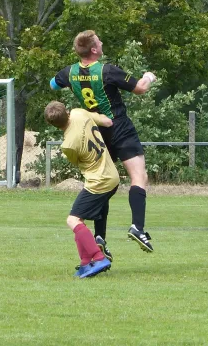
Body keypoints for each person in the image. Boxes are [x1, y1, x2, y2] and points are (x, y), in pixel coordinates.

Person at [50, 30, 156, 253]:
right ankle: (137, 227)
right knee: (139, 176)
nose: (102, 41)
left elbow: (53, 84)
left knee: (105, 185)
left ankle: (99, 237)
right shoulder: (107, 71)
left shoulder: (70, 72)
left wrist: (72, 82)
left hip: (96, 131)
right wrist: (148, 76)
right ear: (95, 50)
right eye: (99, 40)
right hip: (119, 126)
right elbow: (140, 89)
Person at [44, 101, 119, 278]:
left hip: (98, 182)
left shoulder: (68, 144)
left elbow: (77, 161)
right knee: (79, 220)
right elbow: (106, 122)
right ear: (67, 111)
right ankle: (86, 262)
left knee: (73, 220)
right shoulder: (79, 113)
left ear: (53, 125)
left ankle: (99, 257)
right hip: (111, 176)